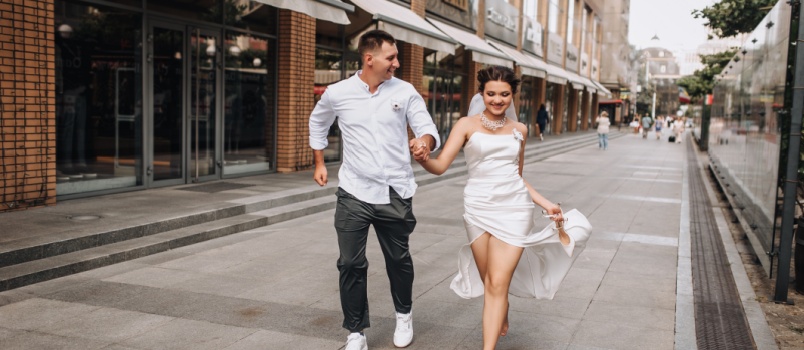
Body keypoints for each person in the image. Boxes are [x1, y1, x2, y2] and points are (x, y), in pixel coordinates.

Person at [416, 66, 590, 350]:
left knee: (497, 283)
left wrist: (546, 203)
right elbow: (439, 166)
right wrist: (423, 158)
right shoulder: (465, 125)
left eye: (504, 94)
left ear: (513, 96)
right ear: (481, 94)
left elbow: (517, 177)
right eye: (491, 94)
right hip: (477, 208)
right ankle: (502, 307)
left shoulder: (520, 130)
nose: (497, 100)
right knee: (490, 281)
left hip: (514, 209)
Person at [308, 29, 439, 350]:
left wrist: (424, 143)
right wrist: (319, 162)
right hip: (353, 191)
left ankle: (404, 315)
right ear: (370, 59)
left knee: (398, 259)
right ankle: (355, 332)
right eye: (391, 57)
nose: (397, 63)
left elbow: (427, 128)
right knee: (350, 263)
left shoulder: (405, 91)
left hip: (395, 191)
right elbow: (318, 122)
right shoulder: (337, 93)